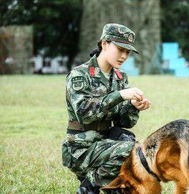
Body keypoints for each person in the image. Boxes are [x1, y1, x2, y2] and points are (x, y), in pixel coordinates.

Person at [62, 23, 151, 194]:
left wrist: (133, 107)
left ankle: (96, 183)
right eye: (120, 49)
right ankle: (89, 185)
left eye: (127, 52)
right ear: (104, 44)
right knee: (133, 151)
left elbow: (124, 122)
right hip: (81, 149)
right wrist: (120, 96)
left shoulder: (119, 77)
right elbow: (84, 114)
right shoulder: (80, 75)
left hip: (108, 145)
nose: (124, 56)